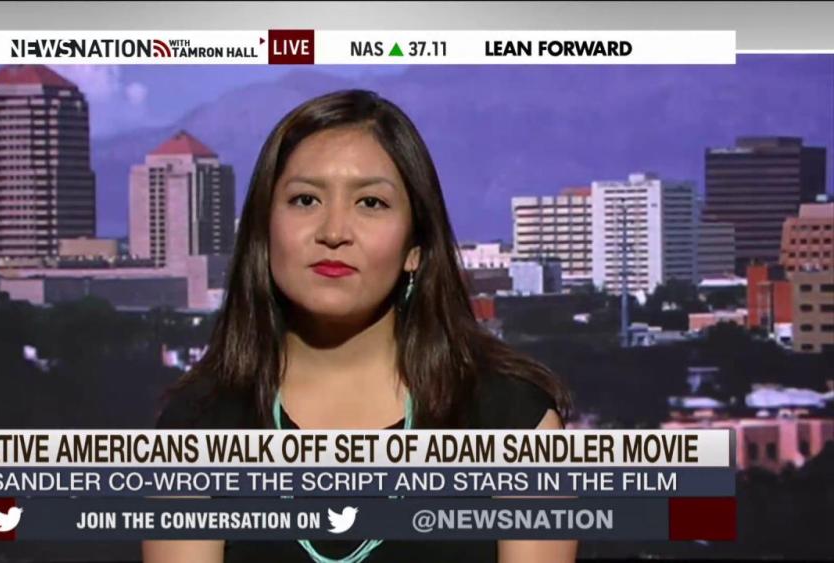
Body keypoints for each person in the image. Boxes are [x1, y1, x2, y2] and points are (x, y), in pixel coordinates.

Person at [143, 89, 577, 563]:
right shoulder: (195, 427)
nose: (333, 232)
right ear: (264, 233)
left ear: (416, 248)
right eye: (305, 199)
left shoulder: (514, 424)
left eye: (370, 203)